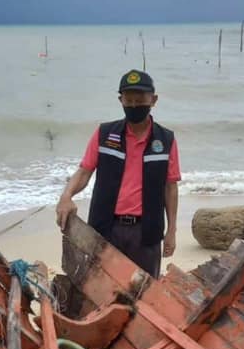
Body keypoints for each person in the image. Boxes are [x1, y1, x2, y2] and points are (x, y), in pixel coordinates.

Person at [55, 69, 180, 278]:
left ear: (153, 100)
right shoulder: (105, 134)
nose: (133, 106)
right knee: (100, 287)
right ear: (120, 100)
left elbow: (170, 188)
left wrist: (172, 231)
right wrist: (66, 197)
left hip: (146, 232)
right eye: (128, 100)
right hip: (106, 228)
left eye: (140, 100)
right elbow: (84, 172)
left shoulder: (166, 140)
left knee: (145, 293)